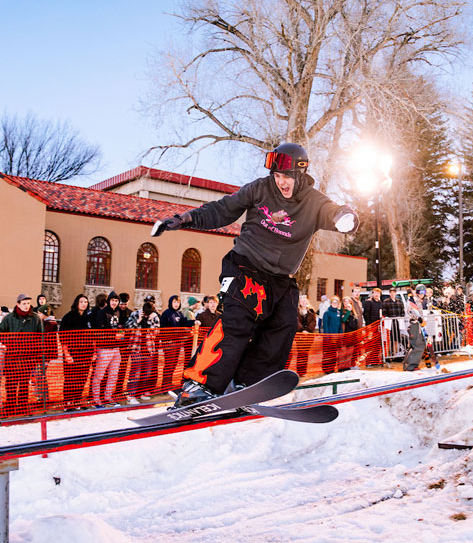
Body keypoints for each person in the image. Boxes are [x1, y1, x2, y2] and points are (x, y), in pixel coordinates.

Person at [152, 143, 358, 407]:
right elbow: (223, 209)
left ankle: (247, 383)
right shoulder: (259, 188)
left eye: (287, 177)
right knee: (237, 321)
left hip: (280, 279)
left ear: (300, 174)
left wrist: (347, 216)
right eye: (277, 176)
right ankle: (199, 384)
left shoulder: (313, 202)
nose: (281, 182)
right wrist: (185, 219)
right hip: (245, 266)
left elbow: (334, 211)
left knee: (283, 325)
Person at [0, 294, 43, 415]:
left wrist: (35, 350)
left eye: (28, 303)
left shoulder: (35, 318)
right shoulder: (9, 318)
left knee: (24, 384)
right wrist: (9, 344)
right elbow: (0, 333)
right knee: (11, 384)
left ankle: (23, 407)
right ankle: (10, 408)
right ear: (18, 304)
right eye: (24, 303)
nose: (26, 306)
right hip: (12, 357)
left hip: (28, 358)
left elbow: (40, 336)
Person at [59, 294, 92, 409]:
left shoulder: (88, 318)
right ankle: (68, 402)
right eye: (82, 301)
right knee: (70, 378)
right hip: (72, 353)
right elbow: (62, 337)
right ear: (77, 303)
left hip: (86, 353)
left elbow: (92, 336)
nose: (84, 304)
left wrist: (94, 353)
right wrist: (66, 354)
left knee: (82, 378)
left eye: (86, 302)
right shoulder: (68, 317)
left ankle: (77, 400)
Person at [92, 291, 124, 405]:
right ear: (108, 301)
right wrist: (113, 335)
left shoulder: (118, 312)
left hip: (116, 348)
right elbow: (99, 331)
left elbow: (120, 326)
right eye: (112, 300)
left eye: (116, 301)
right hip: (104, 348)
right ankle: (95, 398)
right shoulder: (102, 313)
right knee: (99, 374)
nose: (114, 303)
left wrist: (120, 334)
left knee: (113, 374)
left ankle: (108, 396)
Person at [159, 295, 196, 392]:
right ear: (171, 303)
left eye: (178, 302)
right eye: (174, 302)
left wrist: (195, 322)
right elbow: (163, 329)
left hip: (177, 343)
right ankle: (165, 387)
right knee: (169, 364)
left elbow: (185, 323)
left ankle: (169, 384)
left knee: (174, 364)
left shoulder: (179, 313)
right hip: (169, 343)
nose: (176, 304)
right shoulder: (166, 313)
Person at [294, 295, 316, 376]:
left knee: (306, 353)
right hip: (299, 335)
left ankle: (303, 371)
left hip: (309, 335)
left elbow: (313, 322)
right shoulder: (296, 311)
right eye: (302, 301)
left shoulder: (311, 311)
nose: (303, 302)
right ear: (299, 303)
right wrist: (302, 329)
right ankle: (299, 371)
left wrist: (308, 330)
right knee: (300, 353)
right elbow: (296, 321)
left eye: (305, 301)